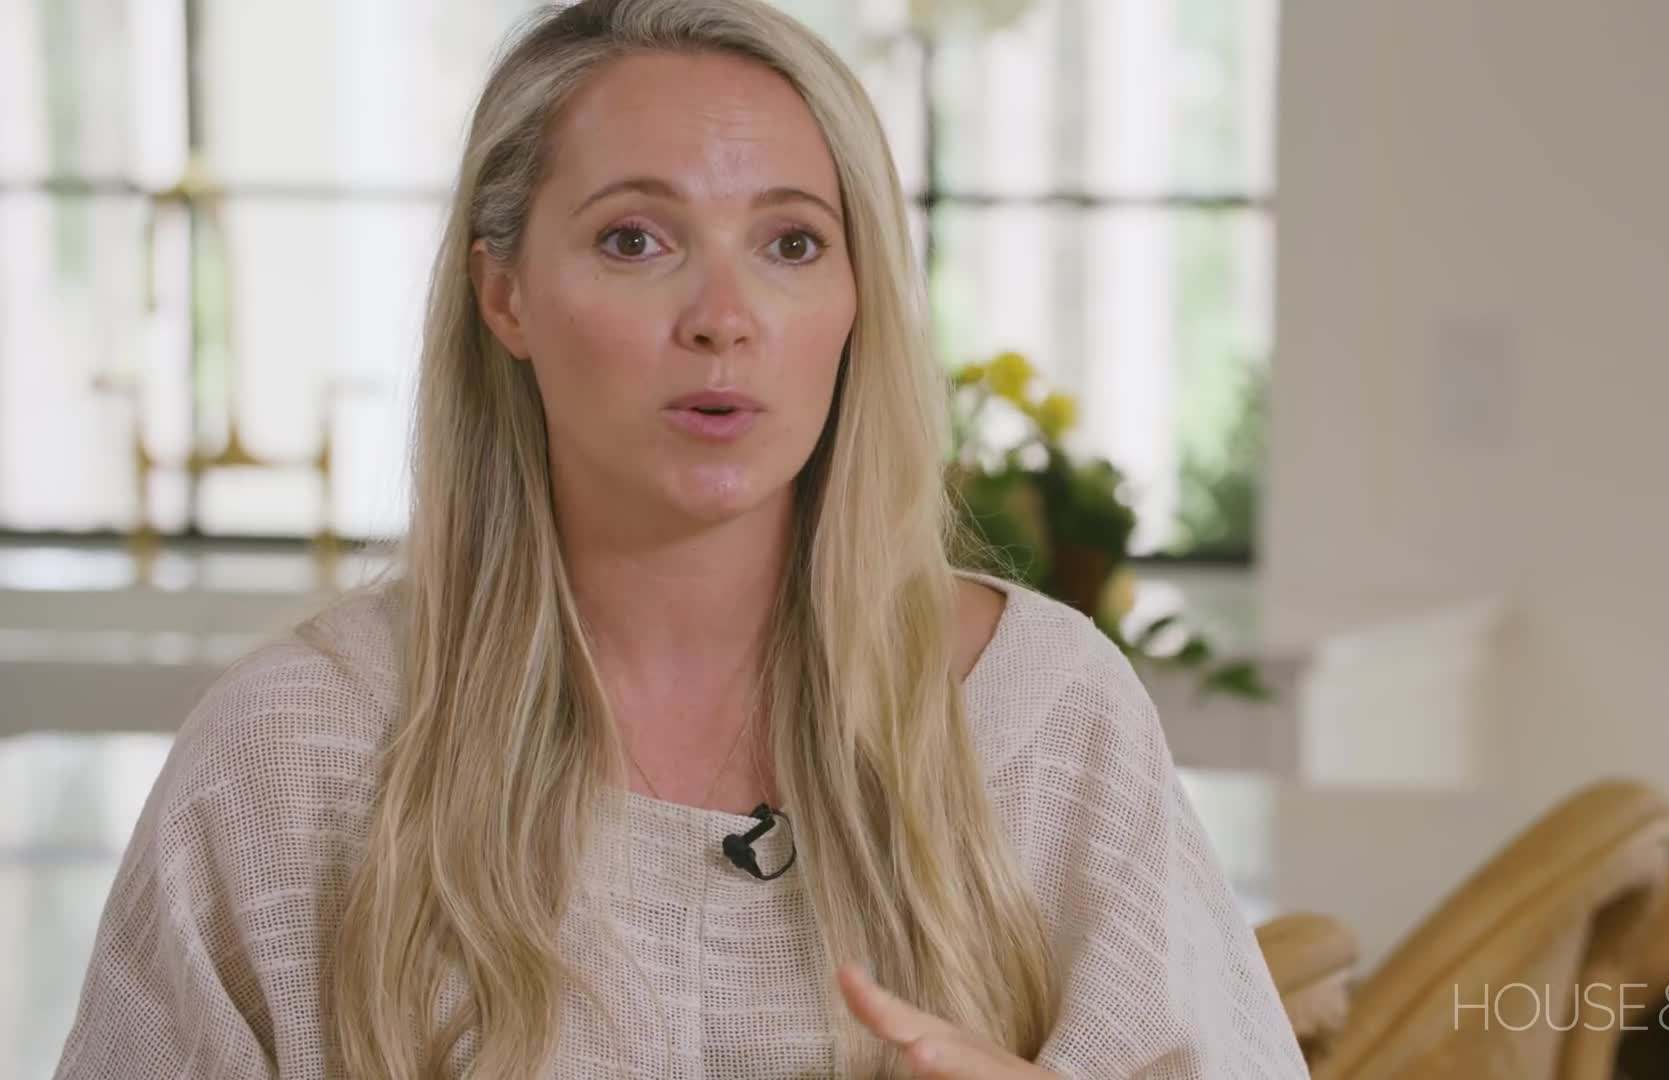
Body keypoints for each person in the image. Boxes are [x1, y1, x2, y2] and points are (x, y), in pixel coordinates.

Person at [53, 1, 1308, 1076]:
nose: (724, 317)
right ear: (505, 294)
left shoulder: (1045, 717)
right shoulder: (292, 758)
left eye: (791, 243)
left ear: (857, 296)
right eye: (635, 239)